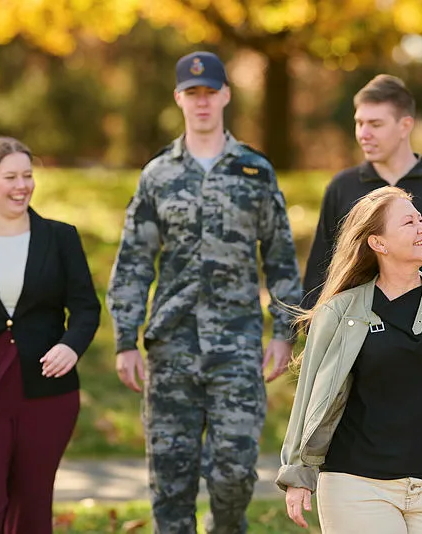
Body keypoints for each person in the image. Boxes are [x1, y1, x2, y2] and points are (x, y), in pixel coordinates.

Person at [106, 50, 302, 534]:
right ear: (178, 98)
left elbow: (278, 258)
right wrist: (125, 339)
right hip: (170, 348)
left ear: (226, 96)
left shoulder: (254, 172)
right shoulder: (158, 176)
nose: (202, 102)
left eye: (210, 92)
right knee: (170, 482)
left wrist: (283, 334)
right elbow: (133, 261)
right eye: (192, 94)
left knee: (234, 474)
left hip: (236, 349)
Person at [277, 186, 422, 533]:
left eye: (421, 220)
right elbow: (311, 397)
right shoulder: (339, 312)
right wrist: (298, 471)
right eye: (408, 222)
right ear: (378, 243)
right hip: (357, 485)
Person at [0, 137, 100, 533]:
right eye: (11, 176)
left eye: (28, 176)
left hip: (47, 391)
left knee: (31, 511)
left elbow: (86, 308)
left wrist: (71, 345)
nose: (22, 185)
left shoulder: (60, 237)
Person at [301, 74, 422, 327]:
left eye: (375, 124)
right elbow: (321, 267)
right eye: (359, 123)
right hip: (357, 337)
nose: (364, 134)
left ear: (405, 125)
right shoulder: (342, 187)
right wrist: (313, 329)